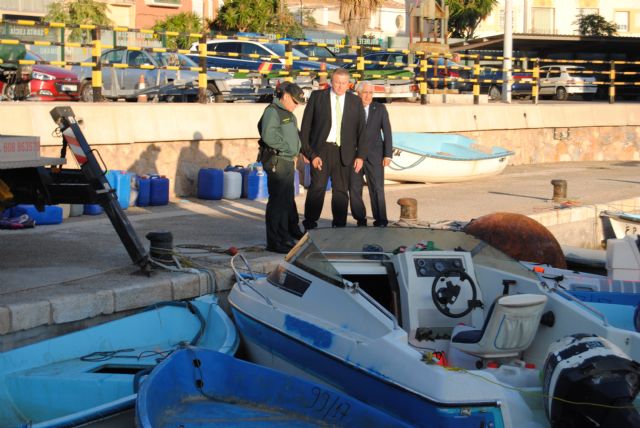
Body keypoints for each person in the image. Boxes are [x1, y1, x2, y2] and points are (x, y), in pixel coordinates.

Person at [300, 68, 367, 230]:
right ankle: (310, 223)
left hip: (345, 153)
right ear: (331, 82)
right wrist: (307, 152)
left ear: (348, 84)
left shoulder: (355, 101)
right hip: (321, 151)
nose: (340, 87)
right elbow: (306, 127)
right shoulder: (317, 97)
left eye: (343, 83)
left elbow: (362, 131)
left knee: (341, 190)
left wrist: (360, 156)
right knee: (317, 188)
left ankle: (339, 224)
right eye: (337, 82)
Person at [258, 82, 306, 254]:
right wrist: (287, 148)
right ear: (285, 96)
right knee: (277, 203)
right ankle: (274, 241)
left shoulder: (289, 114)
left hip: (287, 161)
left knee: (286, 201)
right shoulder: (273, 111)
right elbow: (268, 136)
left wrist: (299, 150)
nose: (296, 106)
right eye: (294, 102)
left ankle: (285, 236)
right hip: (277, 161)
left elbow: (295, 135)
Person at [349, 81, 393, 227]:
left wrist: (388, 154)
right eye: (365, 93)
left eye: (370, 93)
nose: (368, 96)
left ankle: (381, 220)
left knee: (377, 188)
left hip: (375, 154)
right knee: (354, 188)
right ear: (358, 93)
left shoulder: (380, 108)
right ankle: (360, 218)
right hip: (355, 156)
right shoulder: (351, 108)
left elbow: (387, 131)